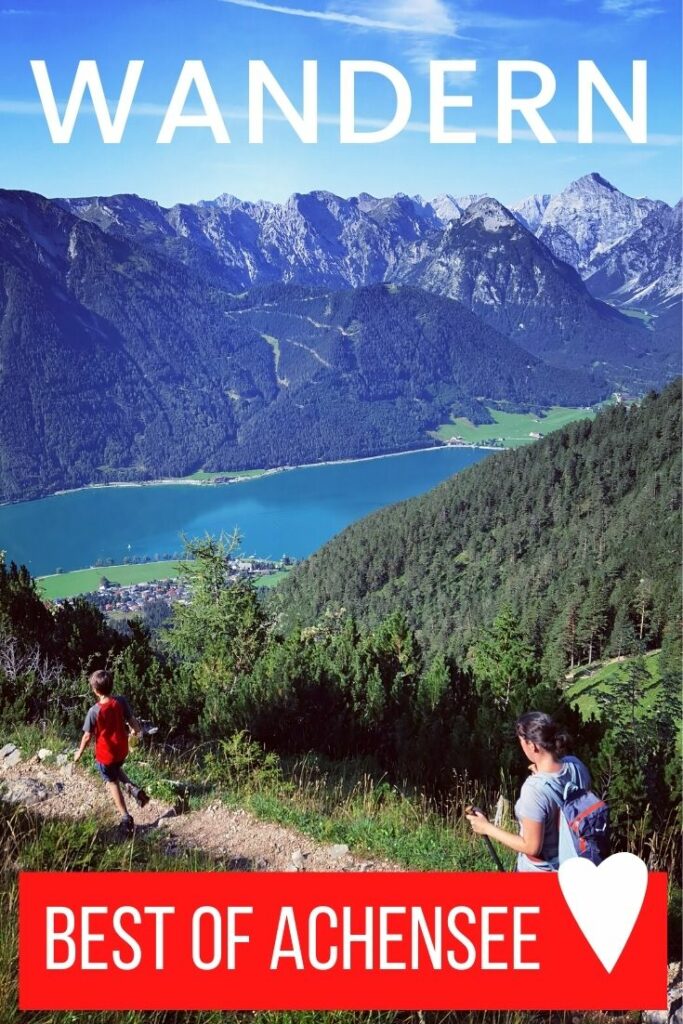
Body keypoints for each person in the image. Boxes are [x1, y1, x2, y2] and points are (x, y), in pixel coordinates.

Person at [466, 710, 592, 872]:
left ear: (532, 745)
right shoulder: (576, 766)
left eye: (522, 743)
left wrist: (486, 828)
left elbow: (532, 847)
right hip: (574, 865)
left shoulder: (534, 790)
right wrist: (542, 775)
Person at [74, 669, 150, 835]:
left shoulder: (94, 711)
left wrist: (79, 753)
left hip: (105, 755)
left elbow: (87, 736)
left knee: (112, 782)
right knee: (116, 768)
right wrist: (137, 731)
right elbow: (132, 721)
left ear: (95, 690)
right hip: (121, 750)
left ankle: (126, 817)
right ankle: (134, 789)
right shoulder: (121, 701)